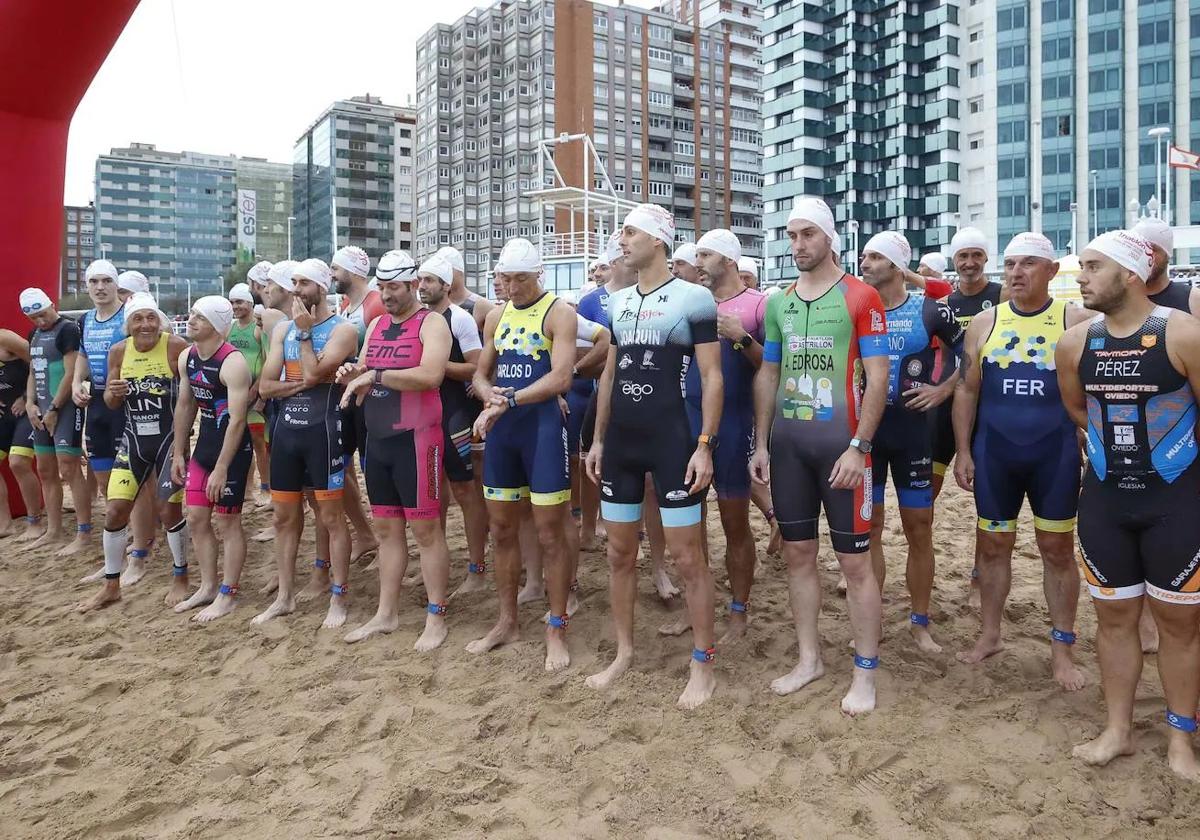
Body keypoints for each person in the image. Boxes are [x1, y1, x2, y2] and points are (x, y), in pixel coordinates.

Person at [1057, 230, 1200, 780]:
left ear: (1131, 275)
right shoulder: (1075, 342)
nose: (1082, 278)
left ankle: (1180, 741)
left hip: (1177, 502)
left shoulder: (1183, 334)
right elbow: (1077, 409)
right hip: (1106, 502)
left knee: (1180, 627)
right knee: (1113, 621)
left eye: (1093, 267)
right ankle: (1117, 730)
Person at [748, 198, 888, 715]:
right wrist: (760, 444)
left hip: (843, 449)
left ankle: (865, 672)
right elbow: (768, 373)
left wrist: (861, 446)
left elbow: (878, 377)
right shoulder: (780, 302)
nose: (798, 244)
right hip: (789, 449)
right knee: (798, 555)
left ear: (829, 237)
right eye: (791, 235)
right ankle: (810, 659)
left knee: (854, 563)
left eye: (807, 234)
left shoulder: (860, 296)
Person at [585, 204, 722, 710]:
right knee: (619, 554)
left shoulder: (693, 299)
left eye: (630, 232)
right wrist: (598, 440)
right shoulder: (617, 303)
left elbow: (711, 376)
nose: (621, 240)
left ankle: (702, 662)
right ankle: (624, 652)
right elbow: (609, 375)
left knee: (688, 558)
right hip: (621, 442)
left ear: (659, 240)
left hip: (671, 441)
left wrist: (705, 445)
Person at [953, 231, 1090, 691]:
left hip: (1055, 455)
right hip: (996, 455)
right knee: (993, 547)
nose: (1016, 272)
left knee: (1056, 551)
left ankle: (1062, 649)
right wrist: (964, 451)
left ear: (1052, 271)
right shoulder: (985, 322)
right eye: (1011, 264)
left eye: (1029, 263)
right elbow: (967, 390)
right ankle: (990, 634)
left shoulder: (1075, 319)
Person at [336, 253, 454, 649]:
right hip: (379, 439)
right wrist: (352, 374)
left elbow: (431, 375)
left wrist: (375, 374)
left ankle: (436, 615)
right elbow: (366, 369)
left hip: (418, 440)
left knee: (426, 530)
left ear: (413, 285)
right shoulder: (377, 324)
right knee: (387, 530)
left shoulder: (432, 323)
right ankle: (386, 614)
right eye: (381, 287)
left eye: (393, 288)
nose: (385, 295)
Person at [469, 238, 577, 672]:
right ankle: (507, 620)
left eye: (520, 278)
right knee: (501, 529)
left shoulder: (559, 312)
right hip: (504, 432)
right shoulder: (496, 316)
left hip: (542, 428)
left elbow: (562, 378)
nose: (511, 287)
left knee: (551, 532)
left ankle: (556, 626)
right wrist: (487, 396)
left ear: (538, 275)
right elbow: (481, 373)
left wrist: (507, 402)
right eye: (504, 278)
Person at [858, 231, 961, 652]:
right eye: (863, 255)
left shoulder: (930, 309)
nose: (864, 263)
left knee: (920, 530)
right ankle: (873, 617)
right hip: (869, 436)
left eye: (874, 256)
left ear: (897, 266)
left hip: (915, 435)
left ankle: (920, 622)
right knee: (873, 529)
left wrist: (943, 390)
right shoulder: (857, 310)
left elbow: (973, 352)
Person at [253, 259, 359, 628]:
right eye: (294, 283)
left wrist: (303, 335)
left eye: (304, 283)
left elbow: (316, 372)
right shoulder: (280, 330)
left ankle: (339, 595)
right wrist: (302, 384)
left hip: (324, 432)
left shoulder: (342, 330)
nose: (297, 290)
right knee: (283, 517)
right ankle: (285, 597)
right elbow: (266, 387)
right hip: (287, 432)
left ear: (322, 288)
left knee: (330, 517)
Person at [578, 232, 679, 599]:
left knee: (652, 489)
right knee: (592, 466)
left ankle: (657, 567)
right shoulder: (592, 302)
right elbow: (588, 357)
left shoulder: (665, 296)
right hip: (607, 402)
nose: (615, 261)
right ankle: (591, 529)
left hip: (655, 408)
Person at [77, 294, 190, 612]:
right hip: (133, 441)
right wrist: (113, 394)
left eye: (151, 318)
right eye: (138, 319)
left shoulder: (175, 346)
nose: (145, 325)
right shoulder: (118, 351)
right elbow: (112, 403)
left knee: (169, 513)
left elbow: (190, 397)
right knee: (114, 512)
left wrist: (183, 444)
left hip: (169, 441)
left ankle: (180, 576)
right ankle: (111, 586)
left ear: (160, 321)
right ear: (128, 324)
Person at [679, 228, 765, 643]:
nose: (698, 262)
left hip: (734, 423)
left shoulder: (758, 305)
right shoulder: (692, 304)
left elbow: (773, 367)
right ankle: (696, 606)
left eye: (705, 254)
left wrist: (741, 336)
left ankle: (739, 608)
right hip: (689, 420)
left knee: (734, 522)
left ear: (729, 261)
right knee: (690, 525)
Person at [1129, 217, 1194, 653]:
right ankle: (1148, 624)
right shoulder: (1121, 300)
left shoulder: (1189, 299)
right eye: (1140, 248)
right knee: (1137, 537)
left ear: (1167, 253)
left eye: (1153, 248)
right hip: (1127, 441)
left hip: (1181, 440)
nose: (1147, 255)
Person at [170, 296, 254, 620]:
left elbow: (237, 420)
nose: (191, 320)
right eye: (191, 314)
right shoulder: (187, 357)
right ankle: (207, 586)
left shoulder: (232, 363)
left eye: (199, 317)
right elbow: (185, 406)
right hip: (204, 447)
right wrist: (179, 452)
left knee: (227, 522)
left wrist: (221, 468)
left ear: (218, 326)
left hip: (231, 451)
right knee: (195, 517)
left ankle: (228, 593)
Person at [416, 253, 490, 597]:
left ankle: (477, 567)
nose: (422, 286)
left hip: (454, 412)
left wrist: (435, 364)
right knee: (432, 493)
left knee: (465, 490)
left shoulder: (458, 318)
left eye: (429, 280)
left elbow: (476, 368)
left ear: (446, 284)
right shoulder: (414, 318)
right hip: (421, 412)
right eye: (420, 280)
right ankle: (437, 562)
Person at [20, 287, 90, 554]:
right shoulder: (34, 334)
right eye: (34, 318)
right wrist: (29, 402)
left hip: (65, 407)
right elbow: (33, 371)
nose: (40, 321)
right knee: (45, 470)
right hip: (40, 408)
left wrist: (54, 408)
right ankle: (54, 530)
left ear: (51, 305)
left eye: (43, 314)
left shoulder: (68, 329)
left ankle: (83, 531)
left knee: (69, 467)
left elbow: (70, 372)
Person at [332, 245, 384, 562]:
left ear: (351, 272)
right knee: (339, 467)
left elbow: (378, 354)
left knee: (371, 472)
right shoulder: (347, 304)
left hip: (371, 398)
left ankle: (382, 538)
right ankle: (366, 535)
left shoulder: (374, 304)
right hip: (348, 396)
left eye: (335, 269)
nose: (331, 275)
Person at [227, 283, 270, 506]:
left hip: (254, 395)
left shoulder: (257, 327)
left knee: (258, 443)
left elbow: (266, 359)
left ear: (251, 304)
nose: (236, 306)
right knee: (240, 442)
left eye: (240, 302)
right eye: (233, 302)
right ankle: (246, 488)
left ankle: (265, 487)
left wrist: (257, 391)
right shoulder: (230, 329)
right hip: (236, 395)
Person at [0, 330, 32, 538]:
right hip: (4, 414)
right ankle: (5, 523)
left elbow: (41, 363)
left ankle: (35, 520)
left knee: (18, 463)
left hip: (26, 409)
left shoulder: (5, 338)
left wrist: (26, 397)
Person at [1134, 217, 1198, 315]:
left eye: (1152, 249)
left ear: (1168, 255)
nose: (1145, 256)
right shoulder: (1116, 302)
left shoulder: (1193, 300)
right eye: (1139, 249)